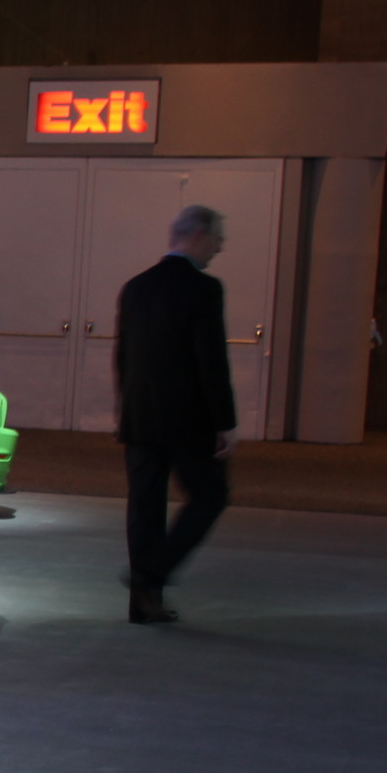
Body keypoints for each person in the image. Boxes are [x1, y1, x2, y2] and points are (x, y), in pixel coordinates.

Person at [115, 203, 237, 624]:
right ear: (198, 236)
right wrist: (225, 422)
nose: (219, 248)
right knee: (210, 496)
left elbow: (124, 358)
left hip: (140, 416)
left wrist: (125, 408)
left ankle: (143, 604)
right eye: (217, 239)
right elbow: (211, 361)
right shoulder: (204, 289)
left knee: (144, 508)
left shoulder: (135, 287)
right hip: (188, 419)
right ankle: (150, 574)